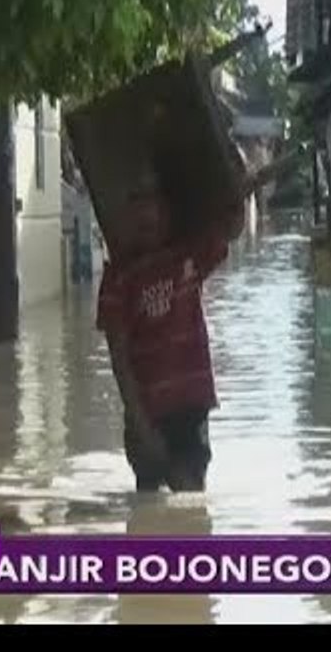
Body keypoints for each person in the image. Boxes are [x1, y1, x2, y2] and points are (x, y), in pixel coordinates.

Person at [98, 167, 253, 493]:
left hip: (190, 407)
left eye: (152, 199)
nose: (146, 211)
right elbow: (119, 354)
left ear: (167, 209)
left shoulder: (188, 254)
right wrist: (140, 422)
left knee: (190, 505)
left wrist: (237, 191)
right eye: (136, 200)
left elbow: (231, 228)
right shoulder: (119, 277)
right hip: (147, 413)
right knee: (148, 515)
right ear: (125, 213)